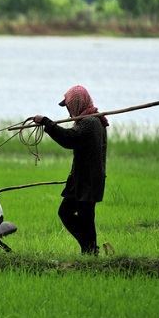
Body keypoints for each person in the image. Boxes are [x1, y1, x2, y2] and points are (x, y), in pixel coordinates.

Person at [33, 85, 108, 255]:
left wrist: (46, 122)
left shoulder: (90, 122)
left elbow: (69, 139)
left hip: (87, 179)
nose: (68, 111)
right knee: (79, 215)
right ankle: (90, 249)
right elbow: (73, 136)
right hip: (83, 178)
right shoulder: (91, 120)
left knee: (77, 215)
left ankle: (89, 249)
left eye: (68, 106)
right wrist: (48, 123)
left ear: (76, 103)